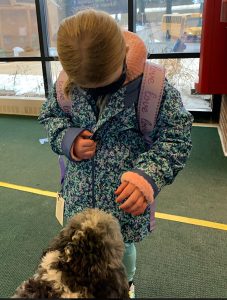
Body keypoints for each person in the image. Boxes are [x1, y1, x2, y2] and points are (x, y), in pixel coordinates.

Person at [38, 9, 193, 298]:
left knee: (122, 251)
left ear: (123, 53)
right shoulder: (64, 85)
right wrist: (67, 138)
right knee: (79, 249)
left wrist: (147, 176)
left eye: (106, 85)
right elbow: (50, 116)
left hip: (125, 205)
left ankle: (126, 284)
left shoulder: (154, 89)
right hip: (78, 196)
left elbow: (177, 137)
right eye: (87, 88)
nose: (96, 93)